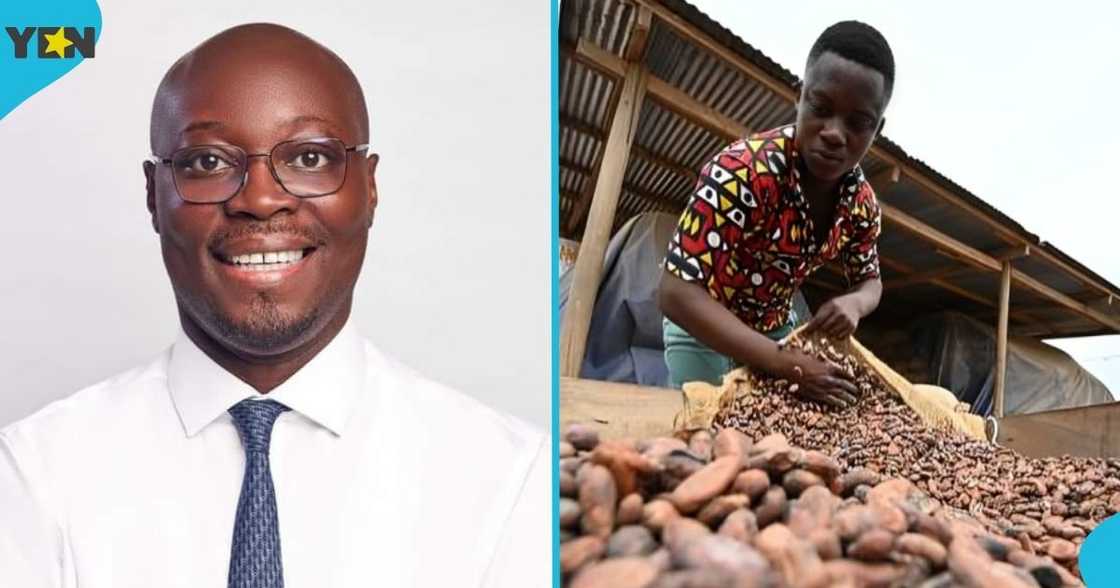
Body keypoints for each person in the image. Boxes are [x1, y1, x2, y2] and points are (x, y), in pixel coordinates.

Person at [0, 24, 547, 587]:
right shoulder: (33, 477)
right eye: (207, 163)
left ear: (370, 188)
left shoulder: (512, 481)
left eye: (310, 157)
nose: (260, 200)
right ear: (152, 197)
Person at [659, 21, 893, 407]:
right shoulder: (740, 172)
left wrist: (854, 303)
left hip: (776, 330)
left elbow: (871, 282)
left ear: (877, 130)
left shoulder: (860, 205)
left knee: (782, 442)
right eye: (821, 108)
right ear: (799, 97)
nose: (835, 133)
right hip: (704, 324)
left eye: (857, 123)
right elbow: (675, 292)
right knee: (707, 431)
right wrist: (790, 366)